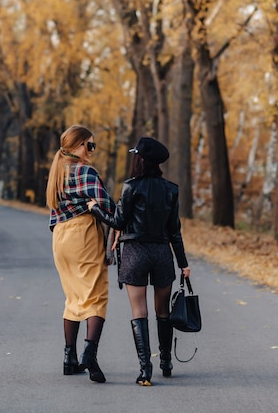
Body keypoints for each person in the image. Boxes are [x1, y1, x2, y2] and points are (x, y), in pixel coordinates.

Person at [88, 136, 191, 387]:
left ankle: (146, 371)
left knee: (139, 312)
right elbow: (174, 230)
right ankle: (166, 362)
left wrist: (94, 208)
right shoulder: (171, 190)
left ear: (141, 160)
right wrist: (183, 263)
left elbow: (118, 222)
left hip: (135, 253)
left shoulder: (131, 187)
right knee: (163, 312)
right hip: (161, 254)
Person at [46, 124, 116, 383]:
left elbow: (53, 214)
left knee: (73, 296)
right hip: (82, 234)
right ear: (77, 146)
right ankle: (90, 353)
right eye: (90, 145)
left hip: (60, 237)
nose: (92, 151)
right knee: (96, 295)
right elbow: (108, 207)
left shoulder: (57, 172)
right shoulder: (85, 172)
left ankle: (69, 358)